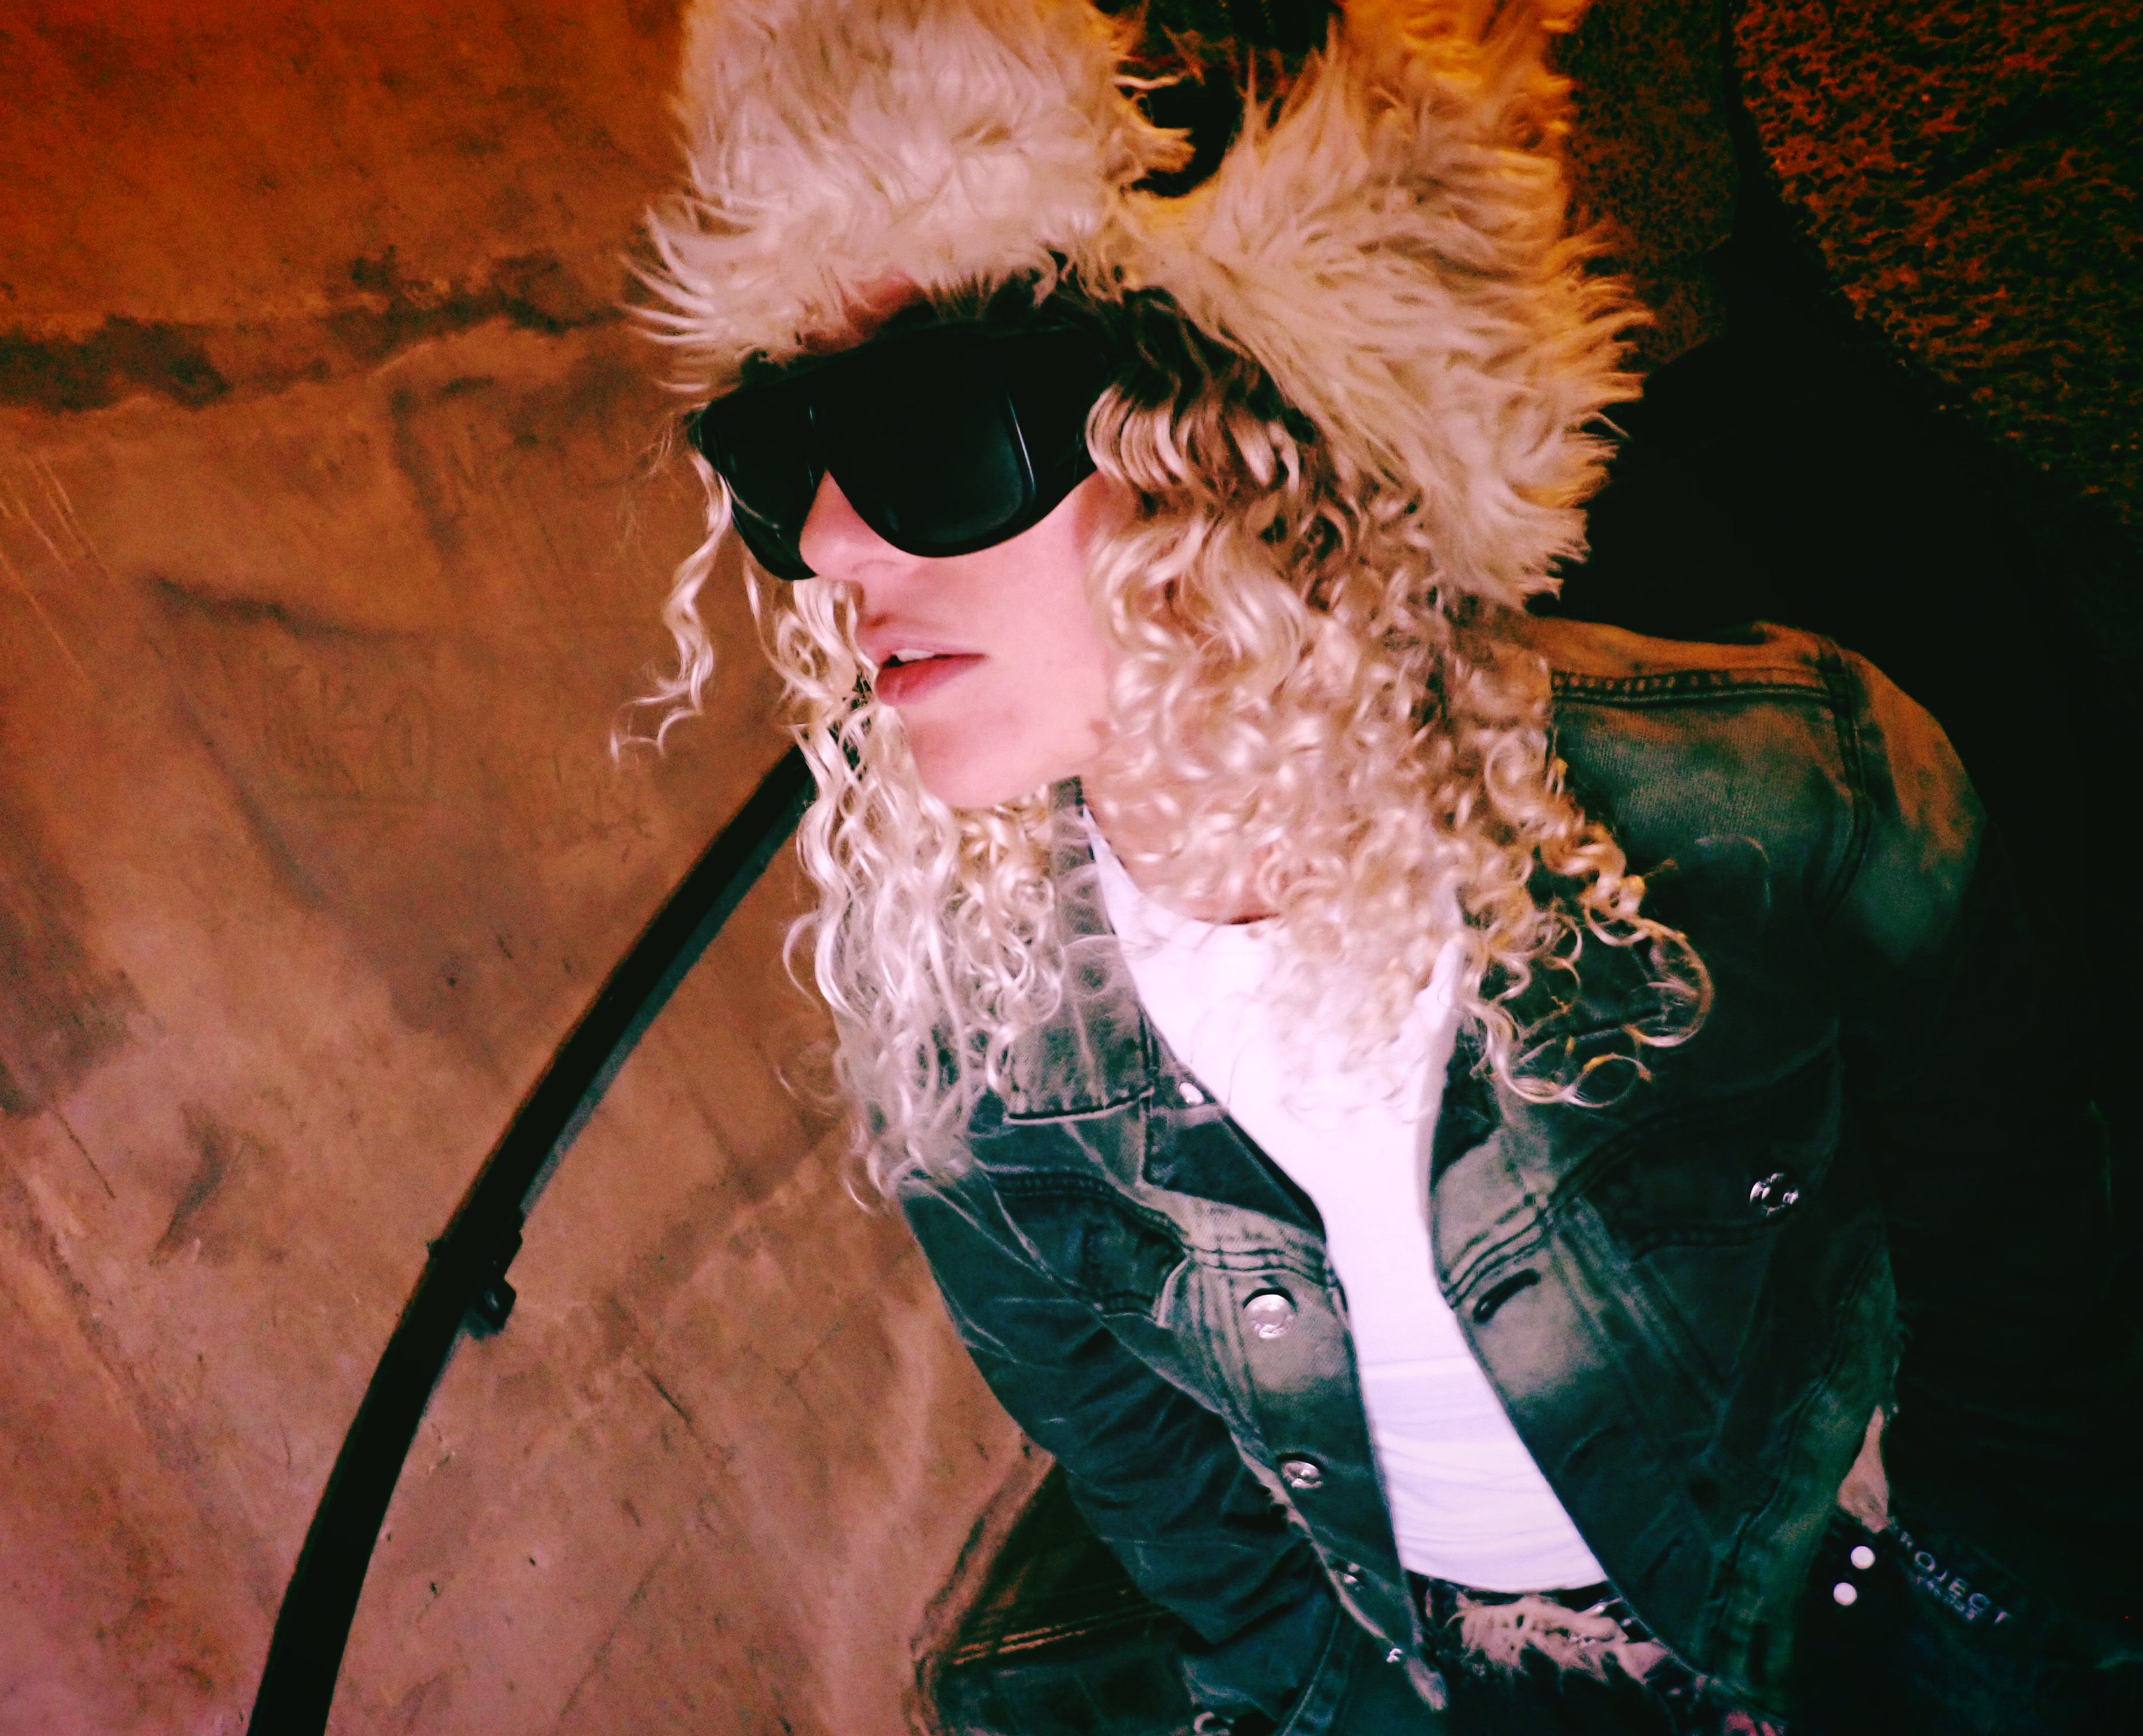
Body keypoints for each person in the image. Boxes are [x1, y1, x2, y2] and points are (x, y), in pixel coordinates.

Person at [634, 1, 2140, 1730]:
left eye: (922, 425)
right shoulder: (970, 1054)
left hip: (1843, 1595)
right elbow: (1180, 1523)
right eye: (781, 450)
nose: (829, 541)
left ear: (1225, 422)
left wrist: (1972, 1642)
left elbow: (2028, 1283)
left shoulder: (1785, 787)